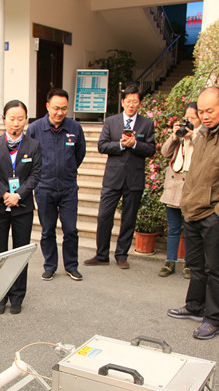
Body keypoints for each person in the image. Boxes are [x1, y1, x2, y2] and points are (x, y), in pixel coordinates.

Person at [166, 87, 219, 340]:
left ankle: (213, 319)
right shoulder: (202, 133)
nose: (204, 116)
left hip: (215, 215)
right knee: (196, 265)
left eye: (210, 111)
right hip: (193, 210)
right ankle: (195, 306)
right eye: (201, 111)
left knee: (215, 269)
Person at [85, 85, 155, 270]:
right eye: (128, 101)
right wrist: (121, 145)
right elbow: (102, 146)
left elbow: (151, 149)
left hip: (134, 178)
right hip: (113, 177)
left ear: (140, 104)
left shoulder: (146, 124)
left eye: (135, 101)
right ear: (123, 102)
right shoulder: (111, 122)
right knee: (104, 216)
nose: (131, 105)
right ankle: (101, 254)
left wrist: (135, 144)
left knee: (129, 219)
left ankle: (122, 255)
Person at [0, 100, 42, 314]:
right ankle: (0, 295)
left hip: (22, 207)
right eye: (11, 118)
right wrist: (4, 194)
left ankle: (17, 295)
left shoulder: (33, 146)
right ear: (4, 120)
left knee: (19, 253)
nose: (16, 123)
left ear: (26, 120)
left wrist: (18, 195)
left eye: (20, 119)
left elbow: (36, 174)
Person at [26, 88, 86, 281]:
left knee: (70, 230)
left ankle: (71, 266)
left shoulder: (75, 128)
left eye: (64, 108)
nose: (60, 112)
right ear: (47, 106)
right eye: (56, 108)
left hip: (68, 188)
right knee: (47, 230)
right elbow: (29, 156)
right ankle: (50, 265)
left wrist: (67, 170)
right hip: (44, 188)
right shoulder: (35, 129)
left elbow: (80, 153)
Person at [158, 102, 201, 278]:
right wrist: (174, 136)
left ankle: (189, 263)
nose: (189, 122)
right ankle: (170, 262)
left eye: (193, 118)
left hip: (192, 186)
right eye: (186, 118)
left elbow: (205, 154)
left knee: (190, 229)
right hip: (174, 186)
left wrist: (194, 136)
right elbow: (165, 152)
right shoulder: (180, 136)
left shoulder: (203, 136)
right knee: (173, 228)